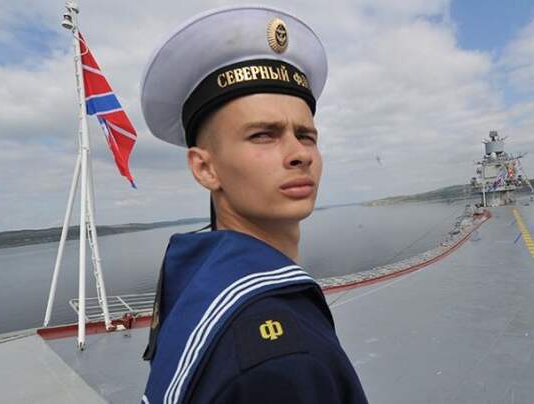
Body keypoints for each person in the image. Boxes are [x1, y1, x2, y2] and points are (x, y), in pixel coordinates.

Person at [140, 6, 368, 404]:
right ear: (205, 168)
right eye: (264, 135)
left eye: (306, 135)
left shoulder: (200, 283)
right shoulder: (278, 360)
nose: (300, 154)